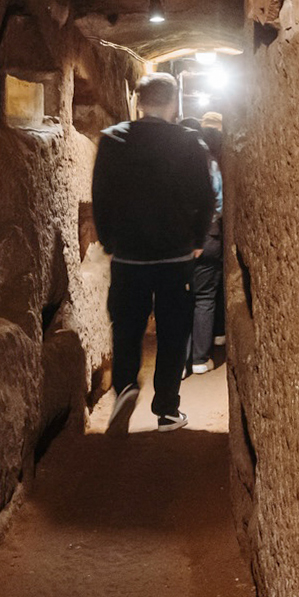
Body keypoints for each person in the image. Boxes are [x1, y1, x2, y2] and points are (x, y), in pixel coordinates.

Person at [91, 73, 214, 431]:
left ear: (139, 102)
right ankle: (166, 410)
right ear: (173, 102)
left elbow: (101, 196)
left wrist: (111, 244)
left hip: (129, 255)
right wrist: (196, 241)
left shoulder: (113, 140)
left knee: (127, 325)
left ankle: (126, 385)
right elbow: (205, 197)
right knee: (173, 332)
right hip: (175, 255)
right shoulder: (188, 141)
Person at [187, 112, 225, 373]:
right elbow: (219, 202)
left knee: (177, 298)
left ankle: (179, 361)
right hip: (207, 236)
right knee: (204, 298)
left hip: (177, 241)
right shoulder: (210, 161)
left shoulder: (171, 160)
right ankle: (200, 359)